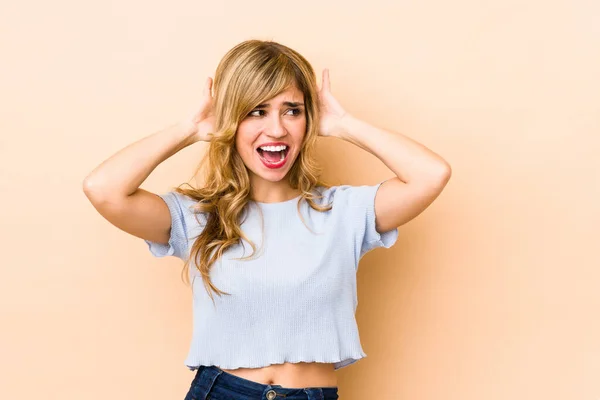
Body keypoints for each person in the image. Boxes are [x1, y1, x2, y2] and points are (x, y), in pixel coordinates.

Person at [83, 39, 451, 400]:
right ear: (230, 120)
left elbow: (431, 174)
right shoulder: (198, 218)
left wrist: (343, 124)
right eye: (256, 111)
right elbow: (103, 188)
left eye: (292, 110)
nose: (276, 129)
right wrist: (190, 129)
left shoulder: (343, 211)